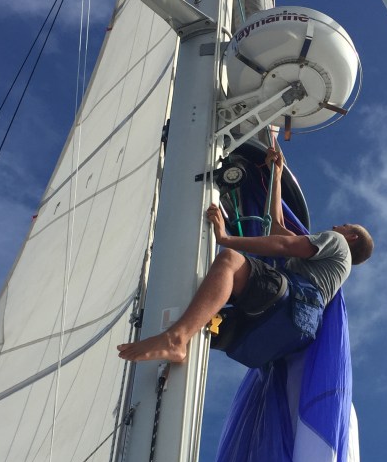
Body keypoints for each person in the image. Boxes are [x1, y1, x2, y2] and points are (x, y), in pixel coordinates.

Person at [117, 147, 373, 365]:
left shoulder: (338, 242)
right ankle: (179, 344)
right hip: (281, 335)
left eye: (344, 226)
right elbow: (275, 226)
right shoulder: (330, 271)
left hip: (286, 306)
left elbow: (285, 245)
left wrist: (225, 239)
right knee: (204, 314)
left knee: (229, 261)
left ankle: (176, 339)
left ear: (351, 237)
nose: (336, 226)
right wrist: (276, 176)